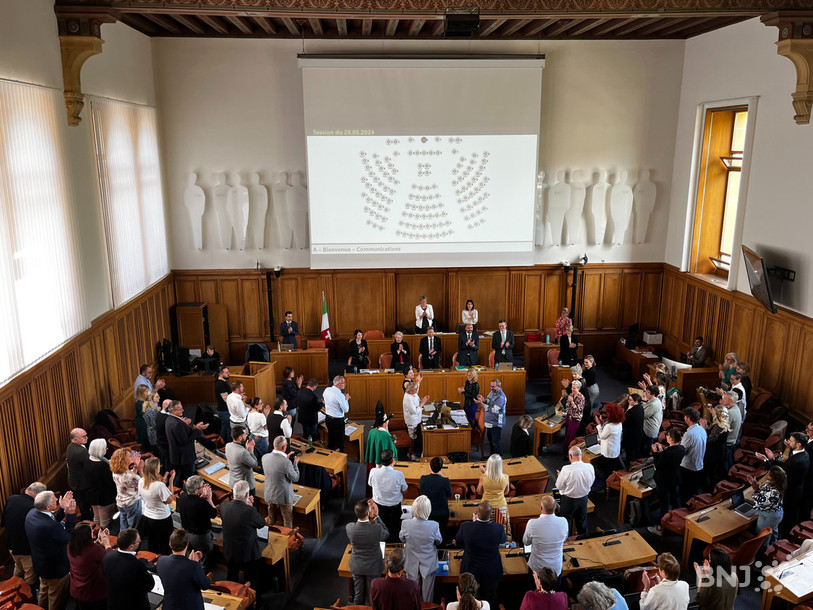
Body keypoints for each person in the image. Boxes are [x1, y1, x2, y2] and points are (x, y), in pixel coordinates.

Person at [25, 490, 77, 610]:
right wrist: (70, 515)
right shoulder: (49, 526)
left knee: (44, 592)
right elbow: (67, 537)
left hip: (41, 565)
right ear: (48, 507)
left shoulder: (32, 514)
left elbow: (51, 520)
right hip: (56, 570)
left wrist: (62, 509)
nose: (57, 500)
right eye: (54, 499)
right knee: (56, 598)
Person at [757, 432, 809, 537]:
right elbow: (786, 466)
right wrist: (773, 459)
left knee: (785, 518)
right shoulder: (804, 454)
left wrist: (765, 460)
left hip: (790, 493)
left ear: (798, 444)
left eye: (791, 441)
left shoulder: (796, 460)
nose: (789, 442)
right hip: (797, 489)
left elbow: (778, 474)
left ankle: (781, 536)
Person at [454, 501, 506, 604]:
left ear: (477, 512)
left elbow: (459, 541)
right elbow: (503, 540)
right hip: (491, 570)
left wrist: (474, 524)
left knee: (470, 599)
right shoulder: (499, 528)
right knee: (490, 598)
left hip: (470, 570)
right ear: (491, 514)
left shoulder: (466, 527)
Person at [219, 481, 266, 588]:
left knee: (232, 577)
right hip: (247, 553)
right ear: (246, 495)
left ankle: (231, 594)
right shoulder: (250, 511)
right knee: (252, 579)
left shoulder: (223, 506)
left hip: (230, 550)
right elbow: (261, 523)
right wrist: (250, 506)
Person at [1, 481, 46, 587]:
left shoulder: (12, 499)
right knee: (30, 575)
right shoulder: (34, 508)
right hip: (25, 549)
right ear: (39, 495)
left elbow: (3, 523)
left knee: (18, 566)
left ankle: (13, 587)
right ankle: (26, 593)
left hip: (11, 545)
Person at [346, 499, 390, 605]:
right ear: (368, 513)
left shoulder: (350, 528)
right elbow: (386, 534)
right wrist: (376, 517)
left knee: (358, 595)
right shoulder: (377, 529)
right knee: (372, 595)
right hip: (373, 566)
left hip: (357, 565)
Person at [400, 495, 443, 602]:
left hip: (411, 563)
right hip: (429, 563)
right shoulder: (434, 525)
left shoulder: (405, 524)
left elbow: (402, 538)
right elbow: (439, 541)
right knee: (428, 597)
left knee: (412, 595)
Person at [155, 529, 209, 610]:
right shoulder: (193, 566)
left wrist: (190, 563)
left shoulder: (161, 561)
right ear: (187, 543)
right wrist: (195, 564)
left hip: (170, 606)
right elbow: (205, 585)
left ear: (170, 545)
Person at [102, 528, 154, 610]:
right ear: (131, 546)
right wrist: (149, 573)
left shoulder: (108, 556)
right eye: (138, 541)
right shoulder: (136, 565)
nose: (140, 541)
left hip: (113, 602)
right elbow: (149, 585)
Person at [648, 428, 686, 533]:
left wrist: (655, 453)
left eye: (668, 435)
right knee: (675, 501)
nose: (666, 437)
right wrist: (661, 452)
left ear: (672, 439)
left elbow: (658, 465)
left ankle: (661, 527)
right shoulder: (681, 448)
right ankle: (679, 521)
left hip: (664, 480)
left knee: (664, 504)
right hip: (675, 478)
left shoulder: (668, 452)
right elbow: (668, 459)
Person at [165, 400, 209, 489]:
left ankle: (175, 491)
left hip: (177, 456)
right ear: (173, 411)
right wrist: (197, 429)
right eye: (180, 409)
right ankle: (188, 492)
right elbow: (185, 440)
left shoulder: (169, 419)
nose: (183, 410)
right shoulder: (177, 424)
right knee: (188, 478)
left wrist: (187, 425)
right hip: (185, 457)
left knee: (180, 476)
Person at [68, 522, 112, 610]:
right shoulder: (94, 550)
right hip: (92, 592)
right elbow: (110, 560)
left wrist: (97, 541)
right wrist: (107, 545)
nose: (94, 532)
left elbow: (87, 550)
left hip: (77, 589)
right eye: (92, 531)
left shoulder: (71, 546)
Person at [523, 496, 569, 577]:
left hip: (537, 568)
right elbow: (564, 538)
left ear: (541, 508)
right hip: (556, 567)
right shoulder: (564, 522)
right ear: (555, 507)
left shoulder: (532, 523)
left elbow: (526, 542)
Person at [262, 435, 301, 529]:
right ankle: (288, 537)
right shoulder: (286, 463)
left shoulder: (264, 457)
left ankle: (270, 534)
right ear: (284, 447)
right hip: (283, 497)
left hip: (269, 493)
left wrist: (285, 460)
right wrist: (295, 465)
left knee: (271, 518)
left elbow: (275, 469)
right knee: (287, 520)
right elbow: (295, 478)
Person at [368, 449, 407, 542]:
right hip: (395, 509)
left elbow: (370, 484)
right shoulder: (399, 474)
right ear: (392, 461)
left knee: (381, 529)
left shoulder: (373, 471)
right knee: (394, 529)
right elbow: (405, 491)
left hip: (379, 508)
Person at [138, 457, 175, 555]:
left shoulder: (141, 481)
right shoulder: (159, 486)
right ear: (155, 470)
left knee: (152, 542)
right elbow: (170, 500)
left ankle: (153, 559)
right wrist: (171, 481)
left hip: (148, 517)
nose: (160, 467)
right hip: (162, 519)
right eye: (159, 466)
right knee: (165, 543)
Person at [176, 475, 217, 563]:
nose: (204, 487)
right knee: (204, 557)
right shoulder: (201, 503)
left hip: (186, 533)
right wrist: (209, 499)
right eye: (202, 486)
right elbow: (213, 514)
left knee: (191, 555)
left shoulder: (182, 496)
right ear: (196, 491)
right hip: (201, 537)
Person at [557, 446, 595, 535]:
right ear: (582, 455)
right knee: (582, 524)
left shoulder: (566, 469)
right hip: (583, 499)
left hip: (568, 501)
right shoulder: (590, 467)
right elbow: (591, 482)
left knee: (566, 525)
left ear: (570, 456)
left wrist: (560, 476)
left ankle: (568, 541)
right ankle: (583, 540)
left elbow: (559, 486)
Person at [747, 465, 786, 545]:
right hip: (775, 514)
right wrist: (757, 488)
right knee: (772, 532)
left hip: (768, 517)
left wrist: (755, 490)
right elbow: (762, 492)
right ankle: (774, 545)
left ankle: (764, 550)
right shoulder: (770, 483)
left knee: (762, 536)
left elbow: (760, 503)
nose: (767, 474)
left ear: (774, 479)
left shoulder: (774, 492)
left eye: (769, 474)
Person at [592, 403, 625, 493]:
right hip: (615, 451)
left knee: (601, 469)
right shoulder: (619, 423)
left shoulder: (609, 426)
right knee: (610, 469)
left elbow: (602, 436)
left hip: (608, 452)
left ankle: (603, 487)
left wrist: (599, 424)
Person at [84, 438, 116, 528]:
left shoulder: (88, 461)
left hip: (92, 496)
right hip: (104, 498)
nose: (107, 449)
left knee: (97, 518)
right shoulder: (103, 466)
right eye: (105, 448)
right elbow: (110, 483)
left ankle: (95, 532)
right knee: (105, 521)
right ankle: (103, 535)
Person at [110, 448, 142, 531]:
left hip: (121, 502)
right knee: (132, 527)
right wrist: (139, 468)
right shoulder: (130, 476)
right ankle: (131, 538)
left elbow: (130, 480)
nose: (132, 457)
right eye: (129, 456)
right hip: (132, 503)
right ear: (123, 459)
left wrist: (135, 468)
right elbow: (144, 484)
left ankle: (122, 537)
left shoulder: (115, 471)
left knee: (123, 525)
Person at [420, 457, 452, 539]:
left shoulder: (423, 479)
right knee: (442, 532)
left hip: (428, 512)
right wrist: (442, 477)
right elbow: (449, 494)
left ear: (430, 467)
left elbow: (423, 492)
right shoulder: (445, 481)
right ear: (441, 468)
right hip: (443, 513)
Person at [680, 407, 707, 503]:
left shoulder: (689, 434)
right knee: (692, 490)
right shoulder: (702, 429)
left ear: (688, 418)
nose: (684, 418)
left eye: (685, 417)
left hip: (688, 466)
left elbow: (682, 451)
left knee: (685, 492)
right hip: (699, 464)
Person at [66, 427, 91, 520]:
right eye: (84, 437)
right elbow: (90, 466)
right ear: (76, 439)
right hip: (81, 484)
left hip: (74, 481)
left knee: (81, 503)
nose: (87, 438)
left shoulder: (70, 446)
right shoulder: (81, 452)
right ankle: (88, 521)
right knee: (84, 506)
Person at [476, 379, 506, 456]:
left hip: (496, 423)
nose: (491, 388)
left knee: (496, 443)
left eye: (493, 386)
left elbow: (493, 409)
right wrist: (483, 400)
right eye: (490, 386)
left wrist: (482, 404)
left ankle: (498, 459)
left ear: (499, 386)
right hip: (489, 422)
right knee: (491, 441)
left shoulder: (501, 397)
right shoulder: (492, 392)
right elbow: (488, 401)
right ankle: (492, 458)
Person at [226, 425, 257, 496]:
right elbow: (255, 464)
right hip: (244, 487)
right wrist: (250, 451)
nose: (246, 436)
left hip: (233, 484)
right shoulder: (243, 452)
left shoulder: (228, 445)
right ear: (240, 438)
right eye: (245, 434)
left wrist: (246, 450)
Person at [704, 405, 730, 488]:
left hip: (713, 453)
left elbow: (709, 440)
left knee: (711, 473)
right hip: (721, 451)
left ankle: (711, 489)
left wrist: (704, 428)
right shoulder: (724, 424)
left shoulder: (718, 427)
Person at [323, 375, 350, 451]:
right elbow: (346, 410)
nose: (345, 384)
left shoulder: (327, 390)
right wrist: (346, 399)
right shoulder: (340, 395)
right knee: (340, 442)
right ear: (338, 385)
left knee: (331, 438)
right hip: (337, 421)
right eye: (343, 383)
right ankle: (340, 456)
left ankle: (331, 453)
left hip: (328, 418)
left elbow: (325, 400)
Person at [403, 381, 429, 461]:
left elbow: (418, 403)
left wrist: (422, 401)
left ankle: (416, 452)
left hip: (418, 419)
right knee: (413, 438)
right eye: (415, 389)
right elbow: (414, 411)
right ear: (410, 390)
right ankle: (411, 455)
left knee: (418, 437)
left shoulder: (414, 394)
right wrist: (422, 403)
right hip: (412, 421)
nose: (416, 390)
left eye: (416, 388)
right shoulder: (407, 398)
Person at [722, 390, 742, 471]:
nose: (722, 400)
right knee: (728, 461)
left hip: (728, 442)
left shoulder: (730, 412)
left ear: (730, 401)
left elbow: (722, 429)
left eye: (724, 398)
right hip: (732, 441)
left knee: (724, 464)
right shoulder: (736, 408)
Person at [562, 379, 585, 449]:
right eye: (572, 387)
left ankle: (569, 451)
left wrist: (572, 402)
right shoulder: (571, 394)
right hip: (569, 416)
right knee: (567, 434)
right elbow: (567, 405)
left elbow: (578, 410)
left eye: (574, 388)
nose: (572, 389)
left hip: (575, 419)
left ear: (579, 388)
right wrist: (568, 404)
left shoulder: (581, 397)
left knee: (571, 436)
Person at [623, 394, 645, 463]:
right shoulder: (641, 407)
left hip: (631, 436)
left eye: (630, 400)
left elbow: (624, 423)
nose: (628, 401)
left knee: (630, 454)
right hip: (639, 434)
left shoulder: (631, 412)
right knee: (636, 452)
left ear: (636, 401)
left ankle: (629, 465)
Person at [642, 385, 663, 453]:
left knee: (645, 448)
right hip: (653, 427)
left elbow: (644, 415)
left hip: (649, 430)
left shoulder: (653, 404)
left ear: (653, 394)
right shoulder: (656, 400)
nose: (645, 393)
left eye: (648, 392)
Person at [214, 365, 232, 443]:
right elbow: (226, 399)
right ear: (221, 374)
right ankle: (229, 444)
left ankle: (222, 442)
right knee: (229, 428)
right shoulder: (220, 384)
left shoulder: (222, 382)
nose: (228, 374)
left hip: (223, 410)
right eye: (226, 373)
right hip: (224, 411)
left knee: (225, 427)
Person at [134, 383, 150, 449]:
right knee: (144, 438)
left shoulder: (138, 401)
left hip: (140, 421)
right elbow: (144, 415)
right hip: (143, 423)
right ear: (142, 393)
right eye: (146, 391)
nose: (148, 393)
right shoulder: (141, 403)